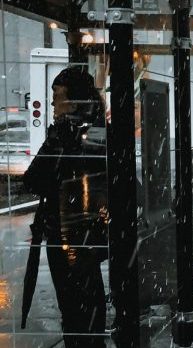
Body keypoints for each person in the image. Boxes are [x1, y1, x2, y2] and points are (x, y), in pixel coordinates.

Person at [23, 66, 108, 348]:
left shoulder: (67, 134)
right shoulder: (96, 131)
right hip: (85, 232)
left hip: (68, 231)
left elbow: (34, 178)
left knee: (74, 309)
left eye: (56, 95)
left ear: (72, 101)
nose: (52, 102)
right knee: (87, 304)